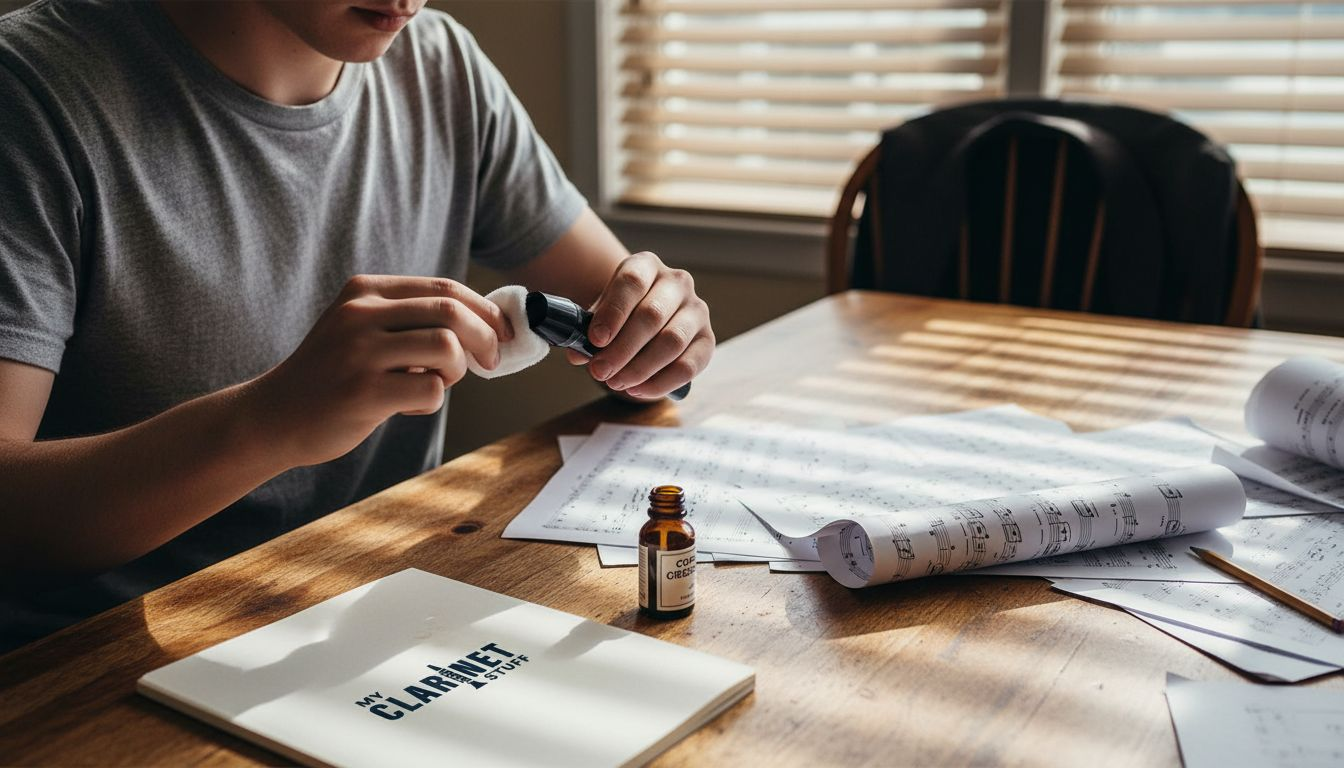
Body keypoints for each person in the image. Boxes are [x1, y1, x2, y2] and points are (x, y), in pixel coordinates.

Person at [0, 0, 715, 652]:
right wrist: (267, 422)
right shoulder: (30, 93)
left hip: (379, 615)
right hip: (90, 664)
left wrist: (659, 331)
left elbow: (624, 322)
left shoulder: (439, 66)